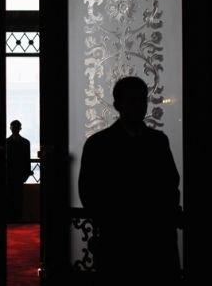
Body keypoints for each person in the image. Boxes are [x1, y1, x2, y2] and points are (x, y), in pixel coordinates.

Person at [78, 76, 182, 283]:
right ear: (118, 105)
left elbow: (171, 185)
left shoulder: (100, 144)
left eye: (141, 100)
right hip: (122, 240)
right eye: (132, 100)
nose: (138, 106)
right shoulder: (154, 142)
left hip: (152, 239)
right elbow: (89, 193)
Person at [5, 120, 32, 222]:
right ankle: (17, 218)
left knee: (11, 197)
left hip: (10, 174)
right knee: (18, 197)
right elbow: (27, 160)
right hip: (18, 174)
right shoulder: (25, 143)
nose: (14, 129)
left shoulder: (6, 142)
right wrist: (26, 174)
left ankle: (11, 218)